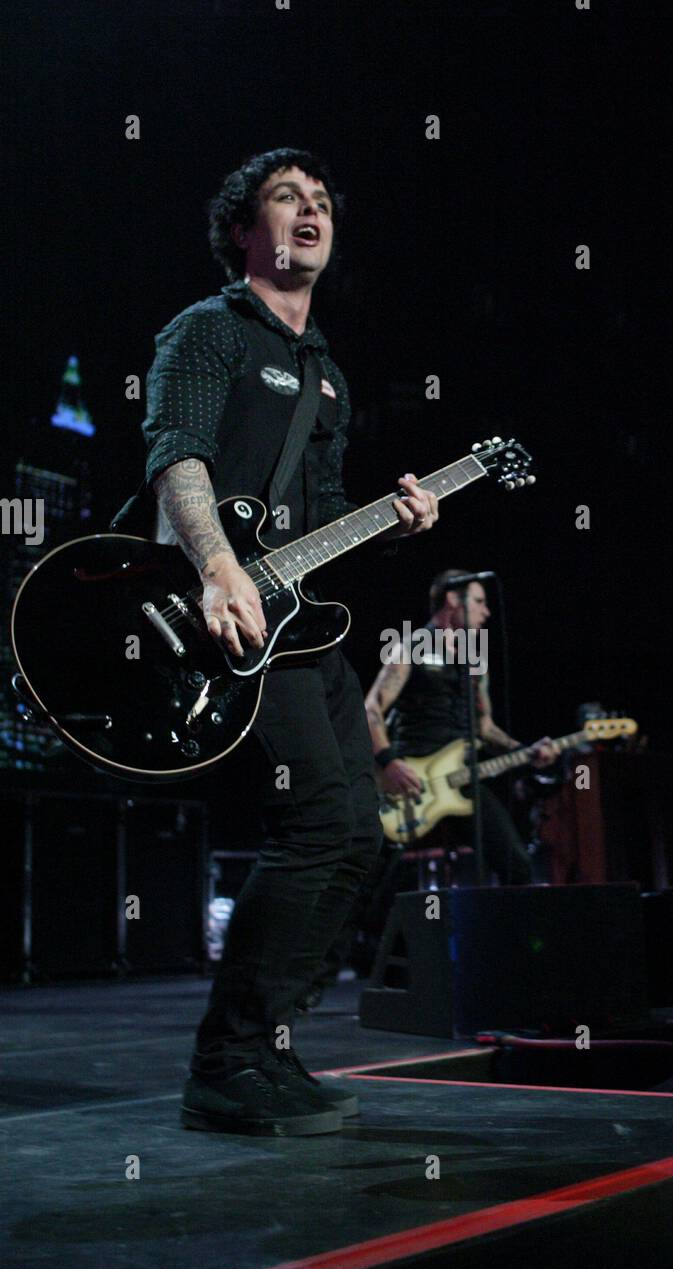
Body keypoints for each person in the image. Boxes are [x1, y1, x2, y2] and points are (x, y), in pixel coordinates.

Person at [137, 148, 439, 1135]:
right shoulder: (208, 331)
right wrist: (218, 567)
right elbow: (175, 455)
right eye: (284, 198)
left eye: (319, 201)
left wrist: (388, 519)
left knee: (360, 831)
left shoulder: (331, 378)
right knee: (312, 822)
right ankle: (223, 1066)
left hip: (300, 625)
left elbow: (311, 524)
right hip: (220, 609)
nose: (308, 211)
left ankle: (269, 1046)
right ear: (240, 231)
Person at [365, 569, 558, 885]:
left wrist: (526, 752)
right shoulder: (411, 646)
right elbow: (371, 708)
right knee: (377, 884)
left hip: (461, 778)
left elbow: (485, 728)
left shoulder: (475, 659)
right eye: (480, 602)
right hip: (409, 778)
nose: (487, 611)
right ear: (453, 599)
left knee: (517, 865)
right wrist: (390, 763)